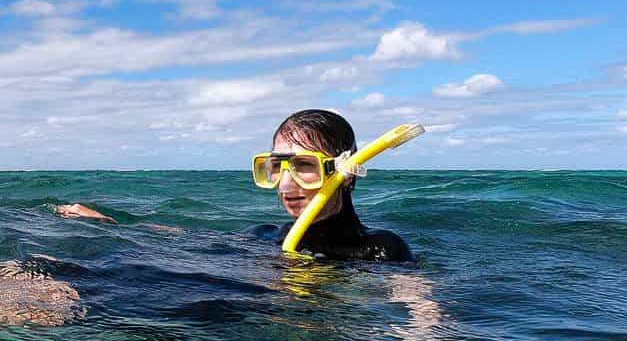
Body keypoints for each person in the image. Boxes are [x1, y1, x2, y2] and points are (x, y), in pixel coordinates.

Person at [57, 109, 414, 263]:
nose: (285, 184)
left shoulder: (378, 248)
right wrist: (107, 223)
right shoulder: (268, 234)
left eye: (304, 167)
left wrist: (425, 340)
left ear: (346, 172)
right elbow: (188, 237)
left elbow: (414, 298)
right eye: (276, 167)